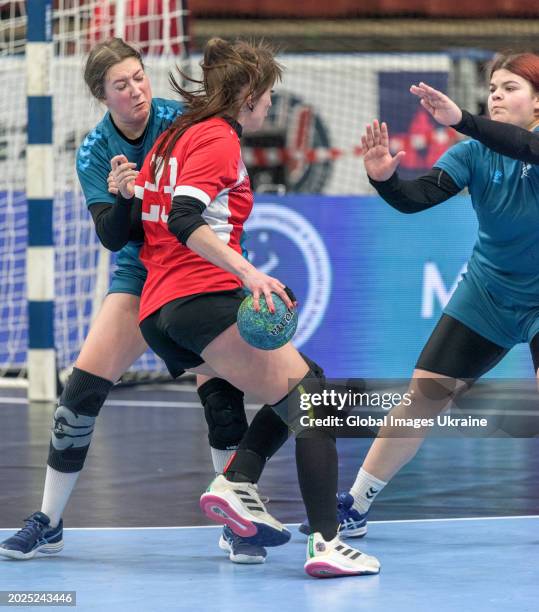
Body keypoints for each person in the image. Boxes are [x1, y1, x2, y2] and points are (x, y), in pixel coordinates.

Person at [110, 37, 380, 578]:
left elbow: (155, 210)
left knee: (310, 383)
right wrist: (249, 273)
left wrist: (132, 189)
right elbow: (185, 217)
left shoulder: (176, 135)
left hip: (161, 309)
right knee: (314, 403)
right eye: (269, 96)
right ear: (249, 94)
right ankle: (326, 542)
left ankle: (237, 480)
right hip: (199, 295)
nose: (272, 107)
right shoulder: (216, 138)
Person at [0, 38, 261, 564]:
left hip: (198, 268)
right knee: (78, 397)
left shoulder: (180, 120)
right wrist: (123, 196)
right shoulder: (95, 151)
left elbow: (211, 187)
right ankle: (48, 521)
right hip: (140, 272)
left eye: (139, 77)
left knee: (222, 399)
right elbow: (114, 237)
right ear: (103, 96)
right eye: (122, 85)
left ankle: (238, 521)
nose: (137, 90)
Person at [303, 51, 539, 539]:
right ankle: (359, 502)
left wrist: (463, 120)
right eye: (492, 86)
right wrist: (383, 177)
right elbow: (416, 199)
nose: (496, 93)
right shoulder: (472, 154)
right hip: (488, 293)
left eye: (510, 86)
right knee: (423, 397)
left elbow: (524, 148)